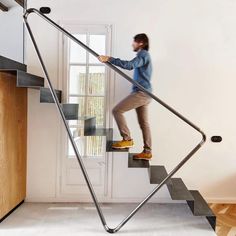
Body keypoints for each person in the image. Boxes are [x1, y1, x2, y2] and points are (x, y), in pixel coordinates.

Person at [98, 33, 153, 161]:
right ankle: (147, 152)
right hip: (145, 93)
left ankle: (127, 139)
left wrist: (109, 58)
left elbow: (129, 65)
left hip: (142, 93)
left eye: (134, 42)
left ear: (141, 43)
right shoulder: (145, 55)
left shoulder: (143, 54)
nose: (132, 44)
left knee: (117, 110)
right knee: (144, 123)